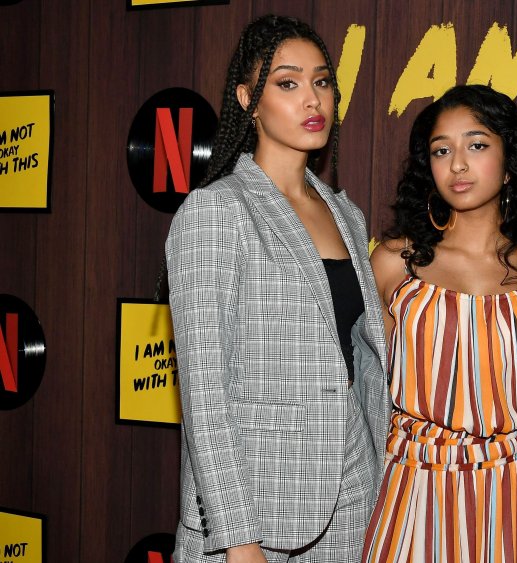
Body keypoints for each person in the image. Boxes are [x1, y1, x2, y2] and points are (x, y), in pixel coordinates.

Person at [166, 15, 389, 563]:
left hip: (351, 503)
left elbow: (359, 364)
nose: (311, 99)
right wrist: (238, 542)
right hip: (253, 518)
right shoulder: (217, 210)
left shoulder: (348, 215)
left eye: (322, 82)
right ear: (247, 99)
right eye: (287, 83)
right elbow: (204, 394)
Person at [362, 84, 517, 562]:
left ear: (510, 158)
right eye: (441, 150)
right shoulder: (396, 263)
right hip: (415, 491)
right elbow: (363, 393)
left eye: (477, 145)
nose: (458, 164)